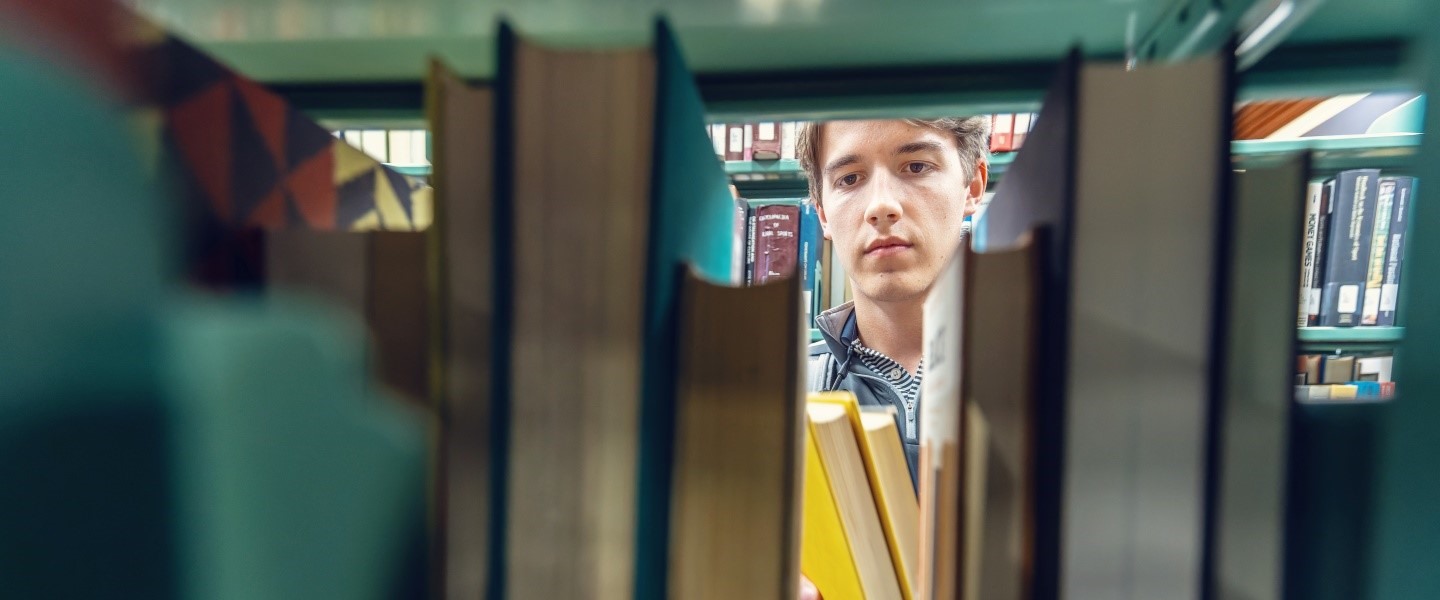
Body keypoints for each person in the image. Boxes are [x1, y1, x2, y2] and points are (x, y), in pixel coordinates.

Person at [802, 117, 990, 485]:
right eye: (850, 178)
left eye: (916, 166)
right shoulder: (783, 396)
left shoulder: (1055, 378)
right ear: (822, 213)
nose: (882, 206)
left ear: (972, 186)